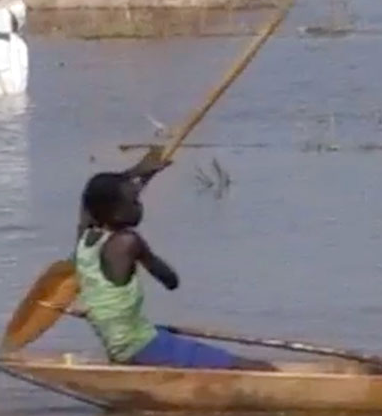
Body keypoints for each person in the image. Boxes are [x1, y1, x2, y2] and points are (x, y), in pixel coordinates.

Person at [74, 151, 272, 371]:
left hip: (121, 344)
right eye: (134, 202)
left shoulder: (84, 240)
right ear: (115, 211)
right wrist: (137, 174)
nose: (140, 206)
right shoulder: (128, 243)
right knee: (260, 368)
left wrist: (139, 173)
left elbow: (91, 197)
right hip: (141, 346)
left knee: (164, 335)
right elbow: (171, 281)